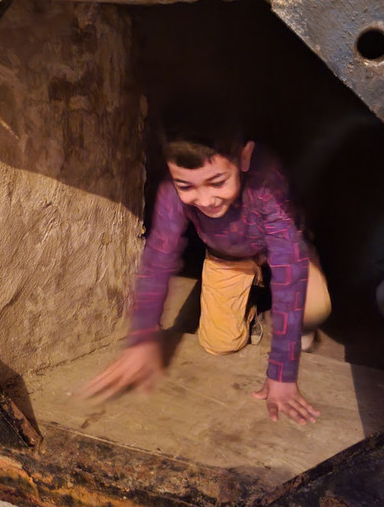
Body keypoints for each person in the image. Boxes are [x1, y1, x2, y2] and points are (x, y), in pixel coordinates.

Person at [84, 112, 331, 426]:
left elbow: (289, 270)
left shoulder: (267, 183)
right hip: (229, 254)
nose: (205, 199)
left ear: (244, 157)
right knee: (219, 344)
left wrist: (282, 374)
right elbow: (160, 256)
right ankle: (253, 303)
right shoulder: (171, 191)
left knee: (312, 307)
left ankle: (302, 297)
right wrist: (143, 338)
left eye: (217, 182)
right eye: (187, 186)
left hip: (283, 248)